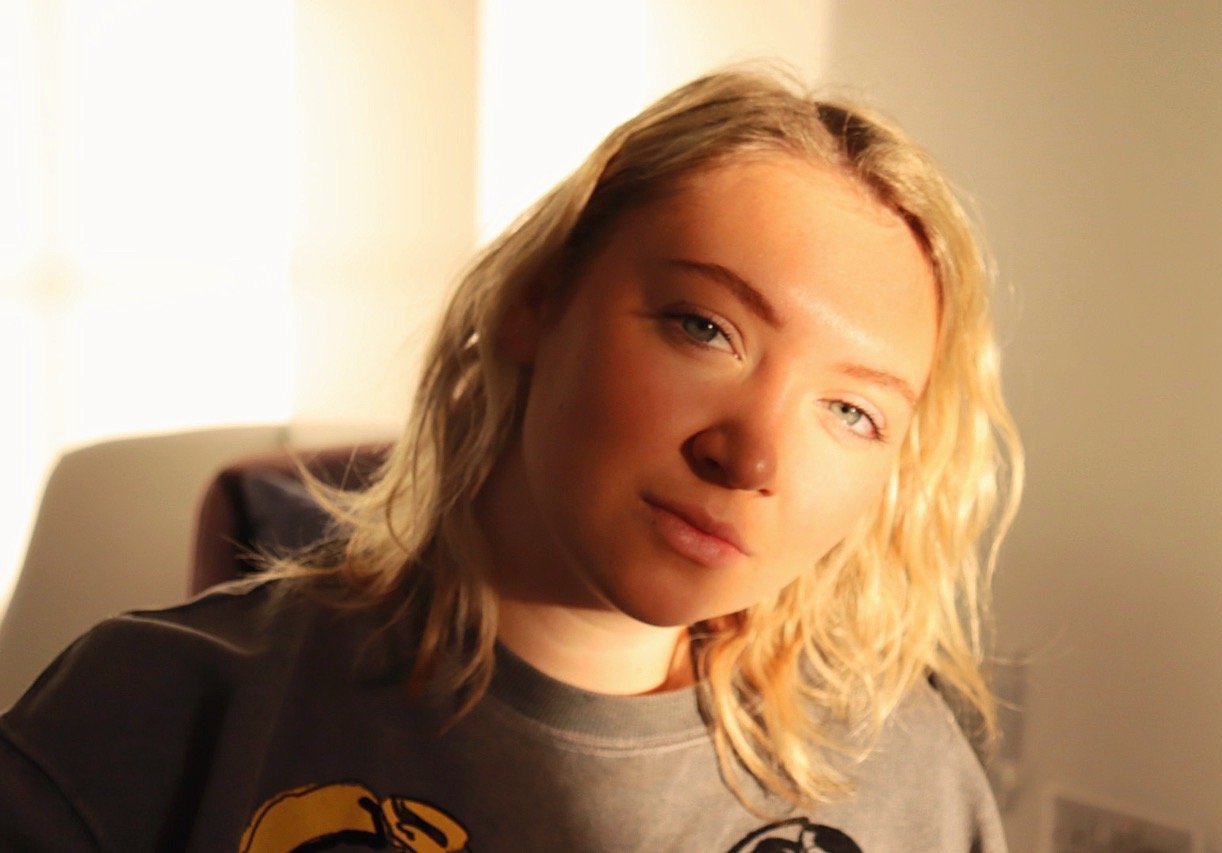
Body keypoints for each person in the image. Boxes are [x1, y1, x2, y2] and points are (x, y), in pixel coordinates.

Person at [0, 68, 1022, 852]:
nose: (754, 453)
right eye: (704, 327)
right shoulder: (152, 712)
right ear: (539, 299)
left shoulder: (908, 782)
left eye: (851, 411)